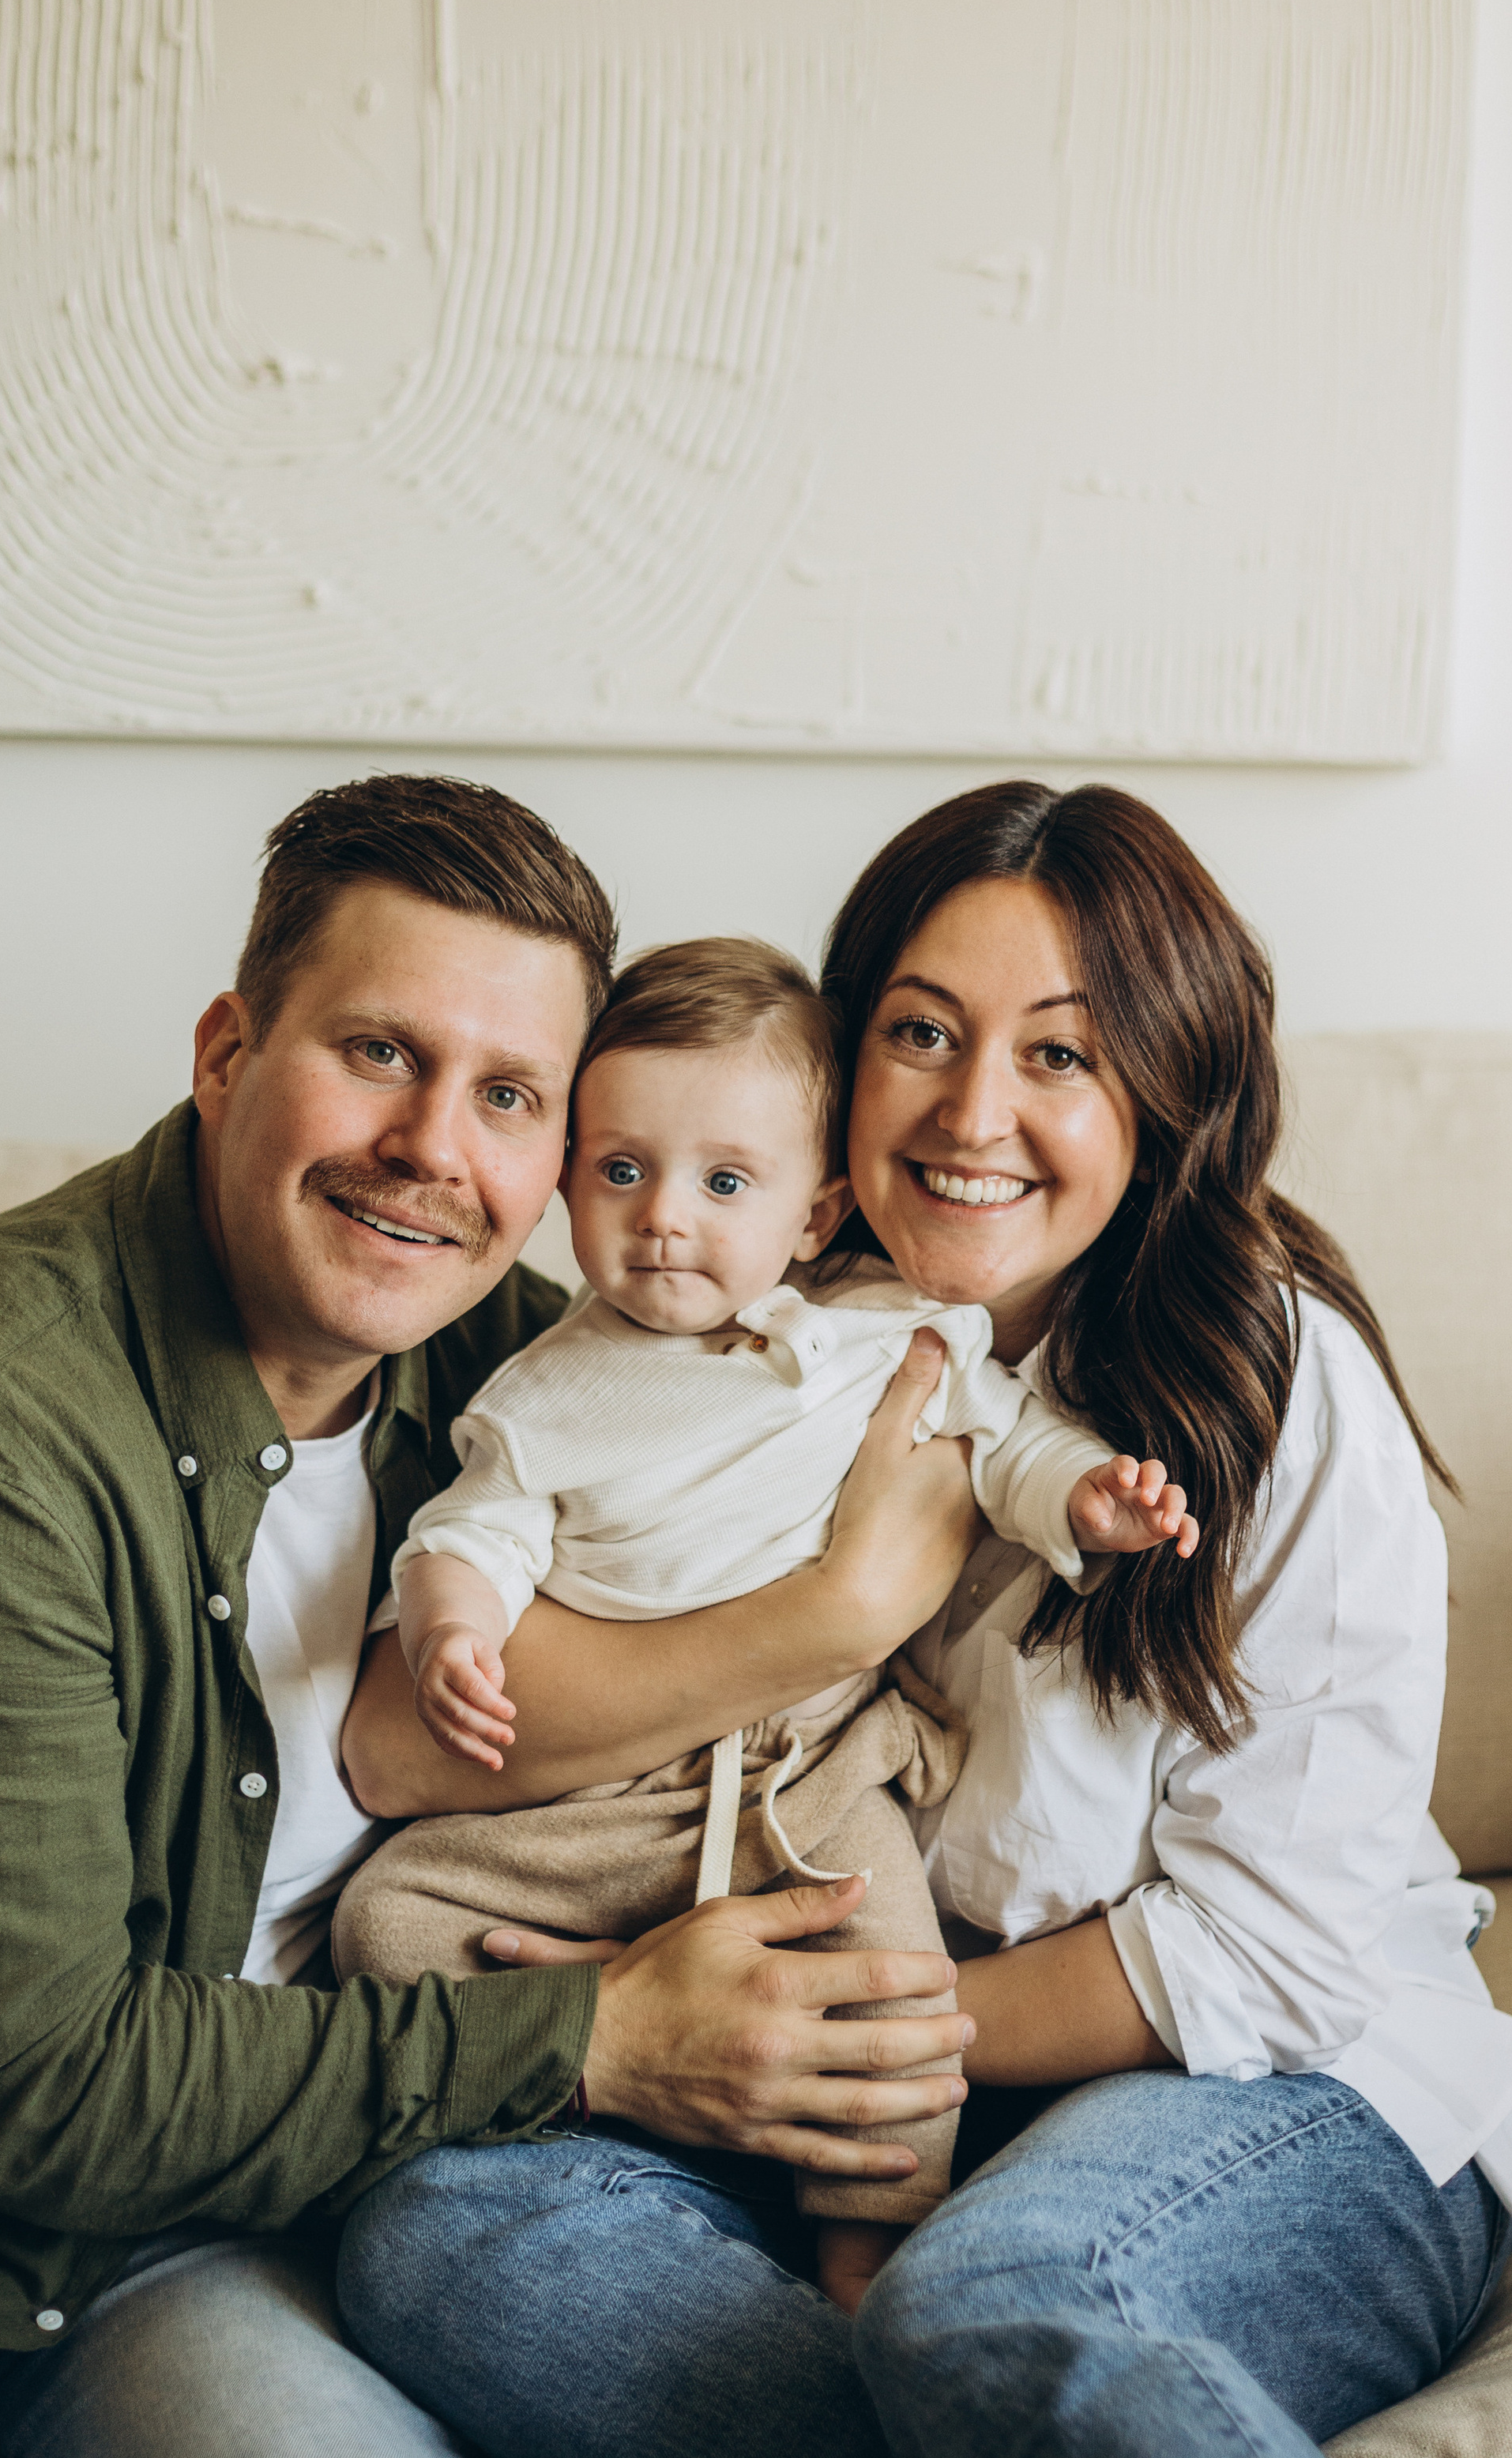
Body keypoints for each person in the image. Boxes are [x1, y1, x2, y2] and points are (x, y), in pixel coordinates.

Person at [0, 774, 977, 2458]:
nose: (431, 1153)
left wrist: (863, 1599)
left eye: (507, 1099)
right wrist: (590, 2037)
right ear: (229, 1054)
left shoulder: (499, 1364)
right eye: (381, 1053)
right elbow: (30, 2093)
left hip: (192, 2238)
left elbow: (724, 1531)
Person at [333, 781, 1512, 2458]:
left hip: (1282, 2088)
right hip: (851, 2093)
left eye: (1058, 1054)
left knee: (980, 2308)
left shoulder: (1262, 1374)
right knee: (431, 2239)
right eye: (918, 1031)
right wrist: (823, 1615)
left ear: (1165, 1089)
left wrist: (833, 2042)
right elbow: (404, 1733)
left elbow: (1273, 1945)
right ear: (834, 1085)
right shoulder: (735, 1314)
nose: (969, 1111)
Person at [333, 932, 1197, 2292]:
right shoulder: (540, 1388)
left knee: (898, 1990)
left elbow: (1005, 1438)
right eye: (622, 1171)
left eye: (724, 1182)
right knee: (384, 1923)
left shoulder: (885, 1337)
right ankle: (613, 2047)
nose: (664, 1215)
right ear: (566, 1184)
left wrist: (1088, 1500)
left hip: (816, 1777)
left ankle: (866, 2257)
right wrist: (449, 1628)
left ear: (814, 1215)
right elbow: (471, 1534)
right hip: (592, 1809)